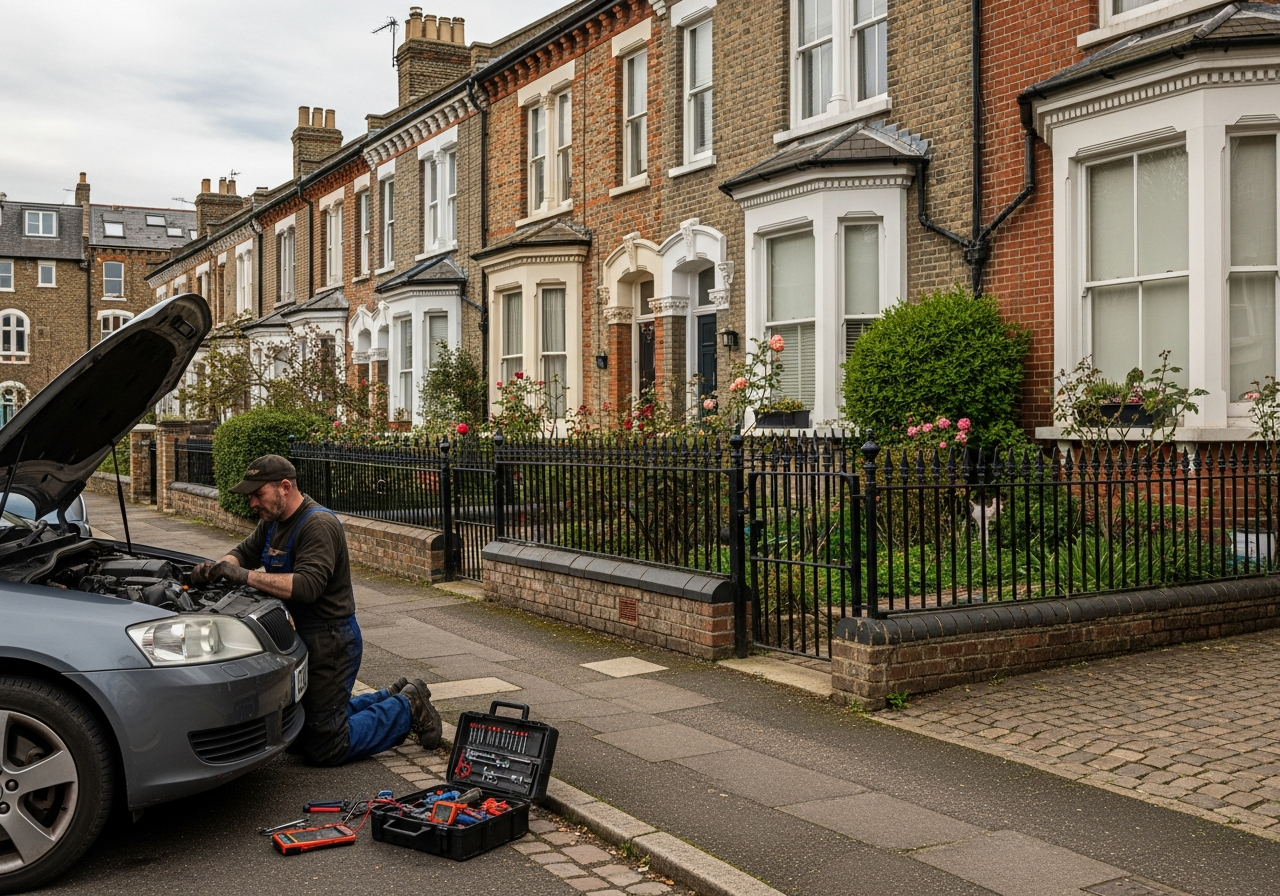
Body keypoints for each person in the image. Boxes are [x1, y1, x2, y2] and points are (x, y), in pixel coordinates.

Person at [190, 454, 441, 766]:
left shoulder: (317, 524)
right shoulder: (273, 522)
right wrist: (218, 568)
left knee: (325, 745)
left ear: (284, 487)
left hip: (331, 639)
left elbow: (308, 586)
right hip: (304, 636)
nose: (253, 502)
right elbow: (244, 552)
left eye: (258, 494)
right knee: (304, 730)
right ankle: (392, 696)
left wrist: (242, 575)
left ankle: (407, 707)